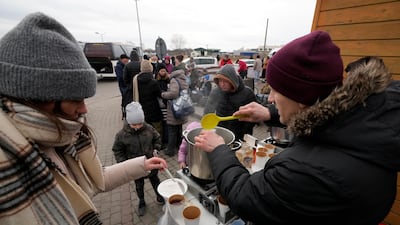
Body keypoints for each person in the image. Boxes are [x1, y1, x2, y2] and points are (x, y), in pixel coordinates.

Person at [194, 30, 400, 225]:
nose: (271, 99)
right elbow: (317, 115)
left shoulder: (304, 171)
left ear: (300, 97)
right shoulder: (362, 115)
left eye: (275, 90)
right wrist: (269, 114)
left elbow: (245, 197)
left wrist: (219, 149)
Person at [0, 12, 167, 225]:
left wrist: (143, 164)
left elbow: (97, 178)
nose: (84, 109)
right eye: (75, 99)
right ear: (38, 97)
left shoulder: (59, 134)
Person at [112, 102, 165, 216]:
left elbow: (157, 138)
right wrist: (124, 163)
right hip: (135, 166)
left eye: (140, 123)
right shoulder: (122, 135)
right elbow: (117, 150)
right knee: (139, 185)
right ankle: (141, 201)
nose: (138, 126)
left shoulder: (149, 128)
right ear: (129, 122)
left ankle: (159, 196)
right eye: (134, 124)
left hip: (151, 162)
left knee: (155, 180)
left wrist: (156, 149)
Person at [206, 64, 256, 141]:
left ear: (233, 81)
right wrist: (207, 127)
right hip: (221, 132)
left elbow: (253, 115)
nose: (222, 84)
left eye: (225, 81)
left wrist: (246, 134)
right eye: (220, 81)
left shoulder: (247, 93)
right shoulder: (216, 92)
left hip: (241, 134)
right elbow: (208, 111)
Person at [161, 55, 189, 156]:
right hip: (182, 107)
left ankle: (170, 150)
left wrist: (163, 94)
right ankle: (179, 146)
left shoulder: (174, 80)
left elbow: (173, 93)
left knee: (172, 130)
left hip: (174, 109)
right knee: (178, 129)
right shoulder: (183, 79)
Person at [136, 60, 164, 137]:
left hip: (142, 109)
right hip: (154, 110)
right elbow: (160, 94)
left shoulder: (136, 80)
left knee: (145, 130)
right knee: (157, 128)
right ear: (151, 69)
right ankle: (158, 145)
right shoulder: (153, 82)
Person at [123, 49, 141, 118]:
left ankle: (133, 117)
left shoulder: (127, 66)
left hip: (130, 88)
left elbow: (125, 78)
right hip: (140, 87)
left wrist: (128, 85)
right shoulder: (140, 64)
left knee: (131, 103)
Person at [115, 54, 130, 119]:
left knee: (126, 98)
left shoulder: (126, 65)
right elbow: (120, 77)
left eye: (127, 59)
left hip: (126, 85)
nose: (126, 60)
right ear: (121, 59)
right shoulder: (118, 66)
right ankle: (124, 112)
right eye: (125, 59)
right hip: (123, 86)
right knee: (125, 98)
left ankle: (126, 111)